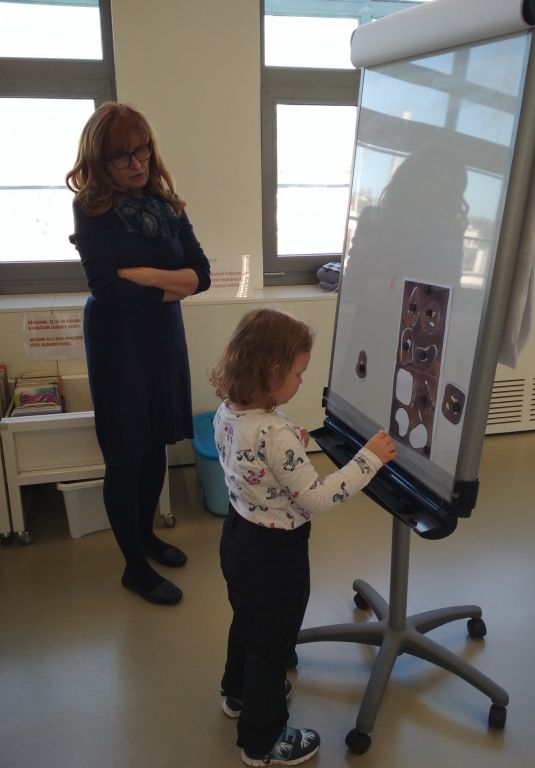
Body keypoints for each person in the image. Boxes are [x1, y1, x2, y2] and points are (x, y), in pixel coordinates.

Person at [210, 308, 397, 766]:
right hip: (275, 555)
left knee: (247, 623)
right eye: (298, 373)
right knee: (273, 644)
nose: (301, 381)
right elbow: (316, 497)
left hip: (238, 536)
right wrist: (369, 460)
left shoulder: (227, 411)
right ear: (272, 372)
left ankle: (237, 694)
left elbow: (256, 465)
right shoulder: (274, 435)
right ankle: (262, 741)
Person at [66, 102, 211, 606]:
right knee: (126, 453)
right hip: (116, 343)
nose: (137, 163)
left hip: (162, 337)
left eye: (143, 149)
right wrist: (173, 286)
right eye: (123, 156)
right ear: (99, 161)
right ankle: (134, 566)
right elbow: (106, 289)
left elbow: (202, 275)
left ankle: (147, 537)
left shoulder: (168, 205)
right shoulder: (91, 209)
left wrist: (145, 276)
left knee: (155, 446)